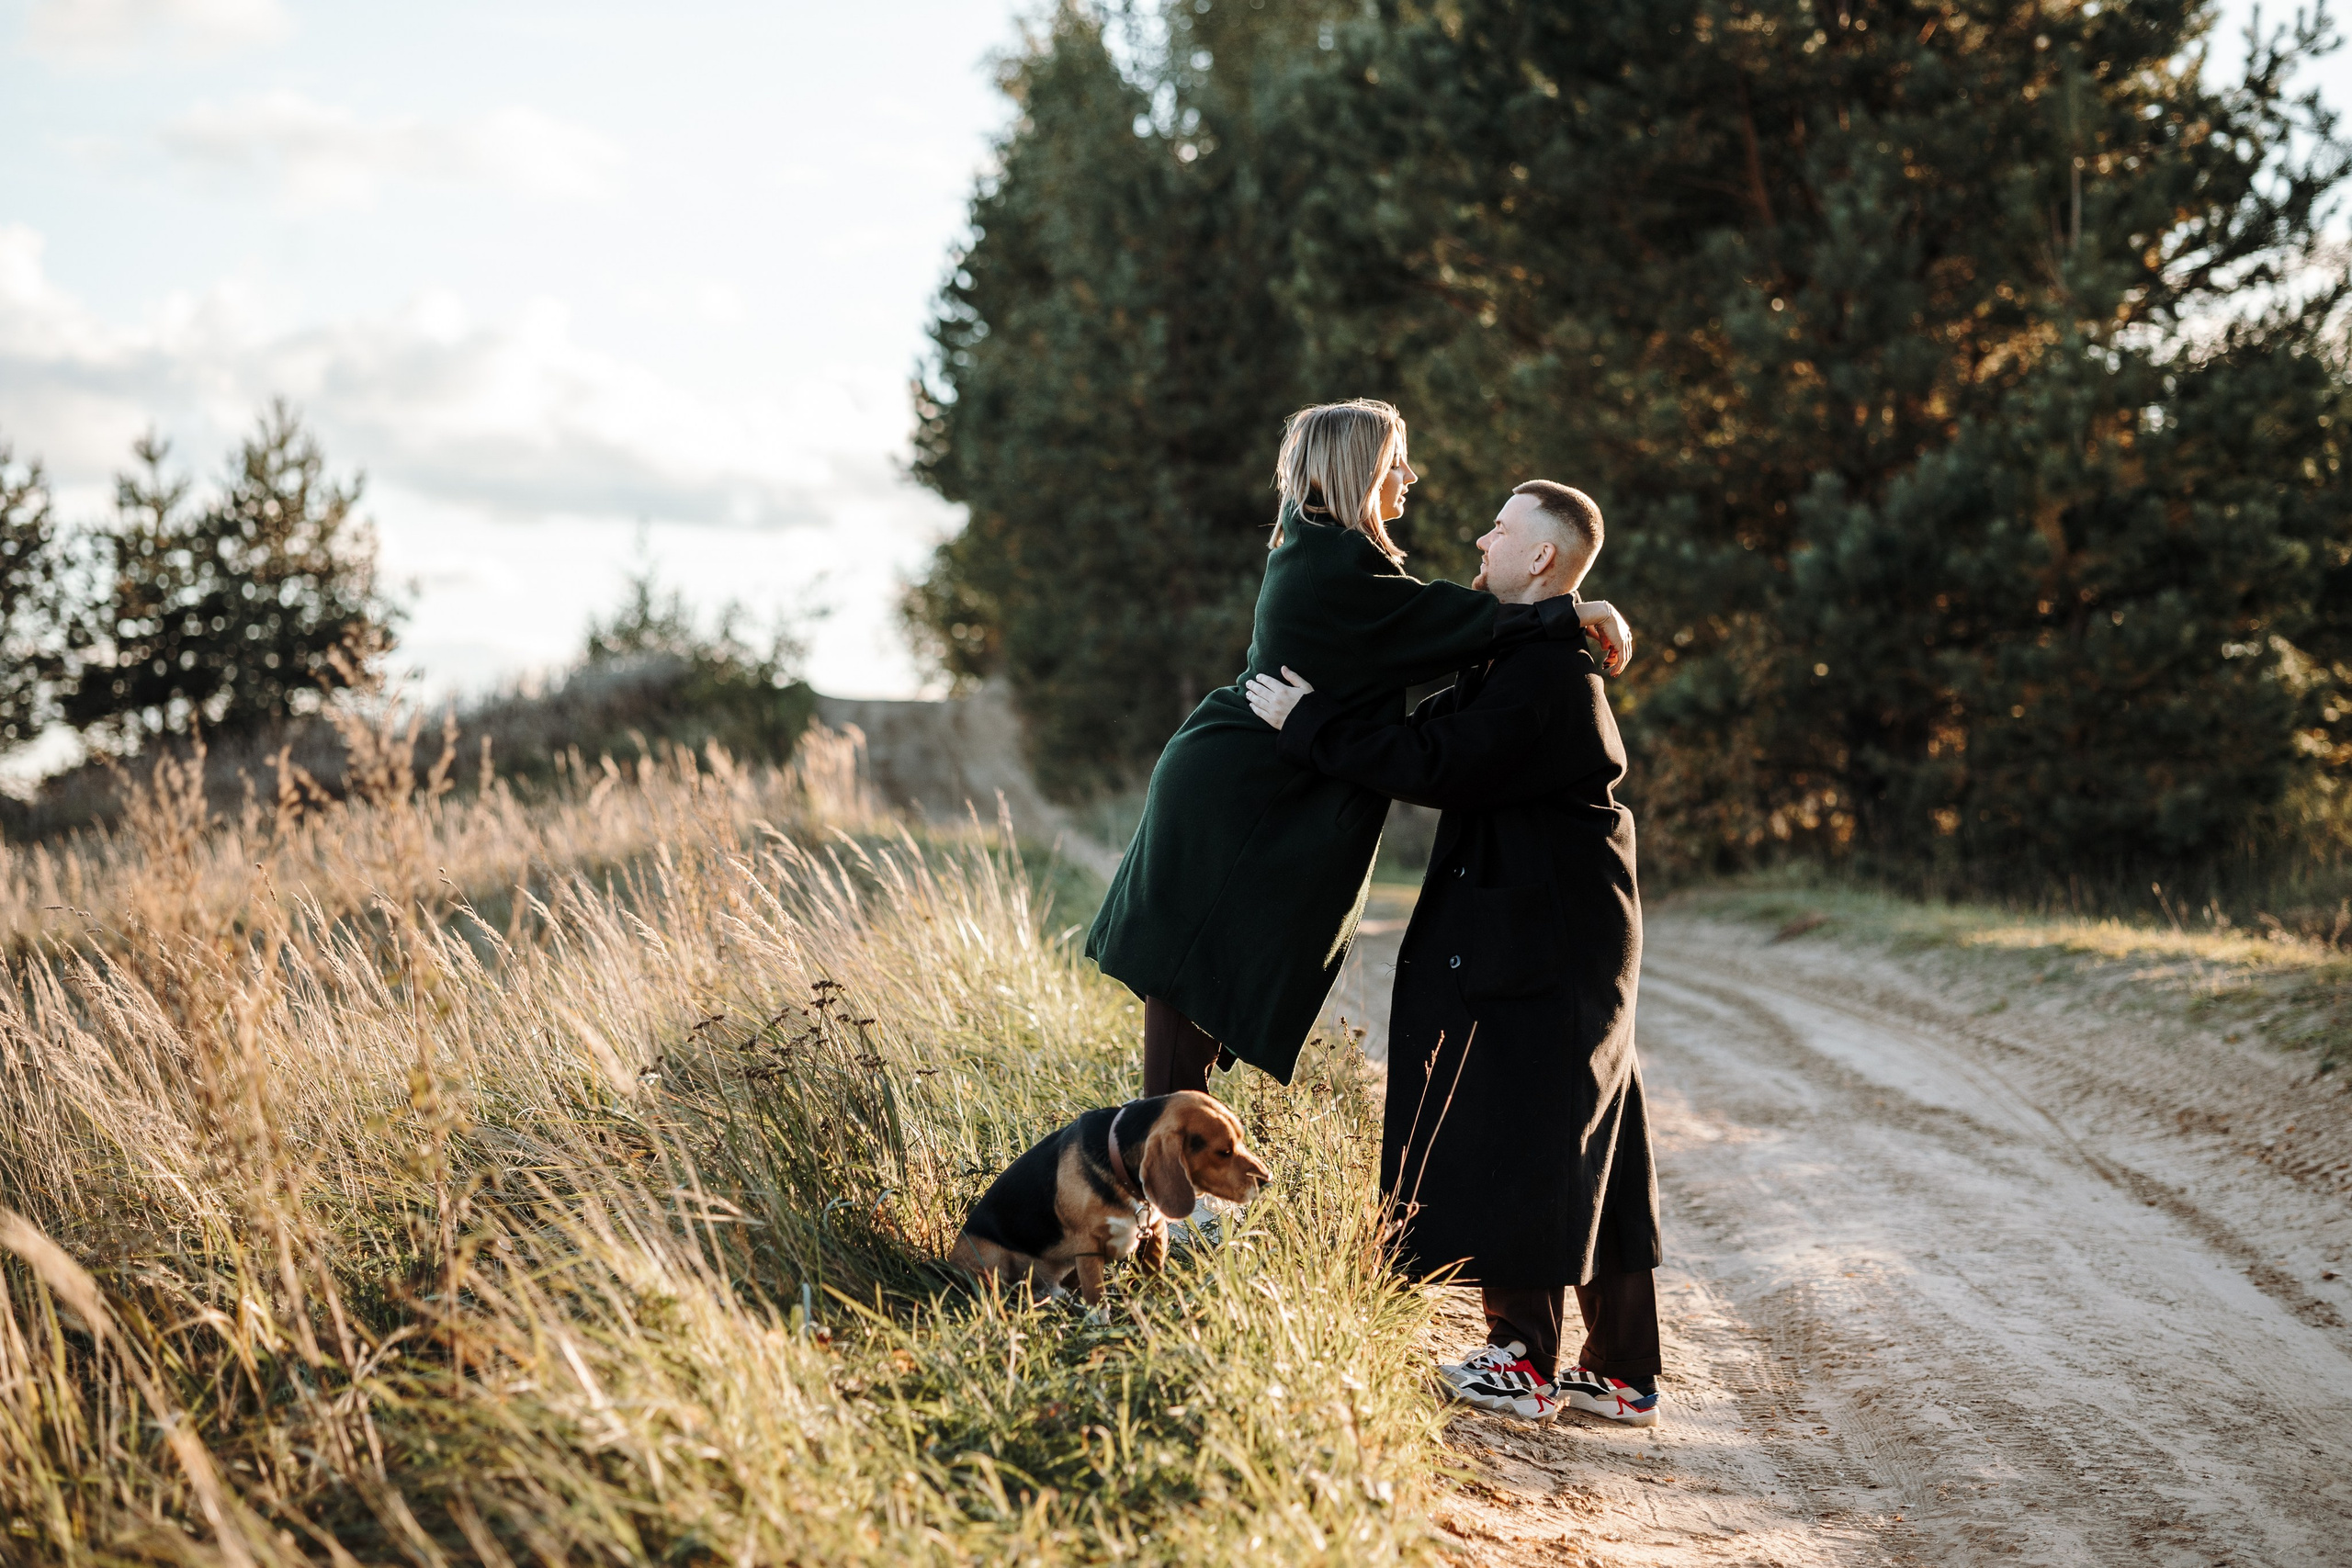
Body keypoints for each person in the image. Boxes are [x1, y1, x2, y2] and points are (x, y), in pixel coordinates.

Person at [1244, 480, 1661, 1427]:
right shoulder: (1524, 653)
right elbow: (1422, 731)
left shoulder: (1550, 675)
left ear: (1541, 558)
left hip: (1550, 938)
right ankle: (1624, 1370)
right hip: (1559, 927)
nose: (1480, 538)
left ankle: (1521, 1361)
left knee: (1530, 1124)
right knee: (1592, 1133)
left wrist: (1302, 726)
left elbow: (1433, 764)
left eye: (1501, 529)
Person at [1085, 401, 1634, 1095]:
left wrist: (1567, 610)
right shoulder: (1332, 564)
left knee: (1201, 993)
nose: (1409, 472)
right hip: (1243, 800)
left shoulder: (1329, 554)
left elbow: (1439, 682)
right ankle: (1160, 1183)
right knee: (1186, 998)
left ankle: (1177, 1181)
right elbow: (1460, 622)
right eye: (1395, 458)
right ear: (1361, 468)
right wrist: (1575, 609)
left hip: (1250, 790)